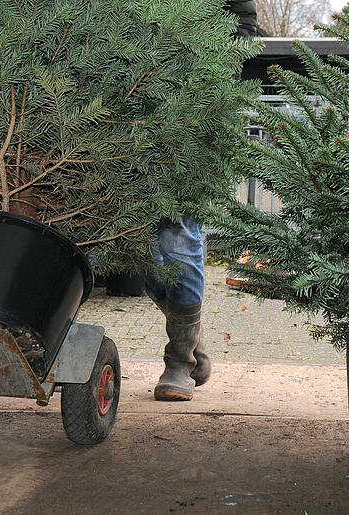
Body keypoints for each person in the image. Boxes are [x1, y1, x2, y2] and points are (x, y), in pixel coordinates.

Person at [146, 0, 257, 402]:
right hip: (129, 111)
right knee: (133, 250)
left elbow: (244, 24)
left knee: (177, 238)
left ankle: (178, 362)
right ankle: (192, 344)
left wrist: (211, 79)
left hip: (197, 116)